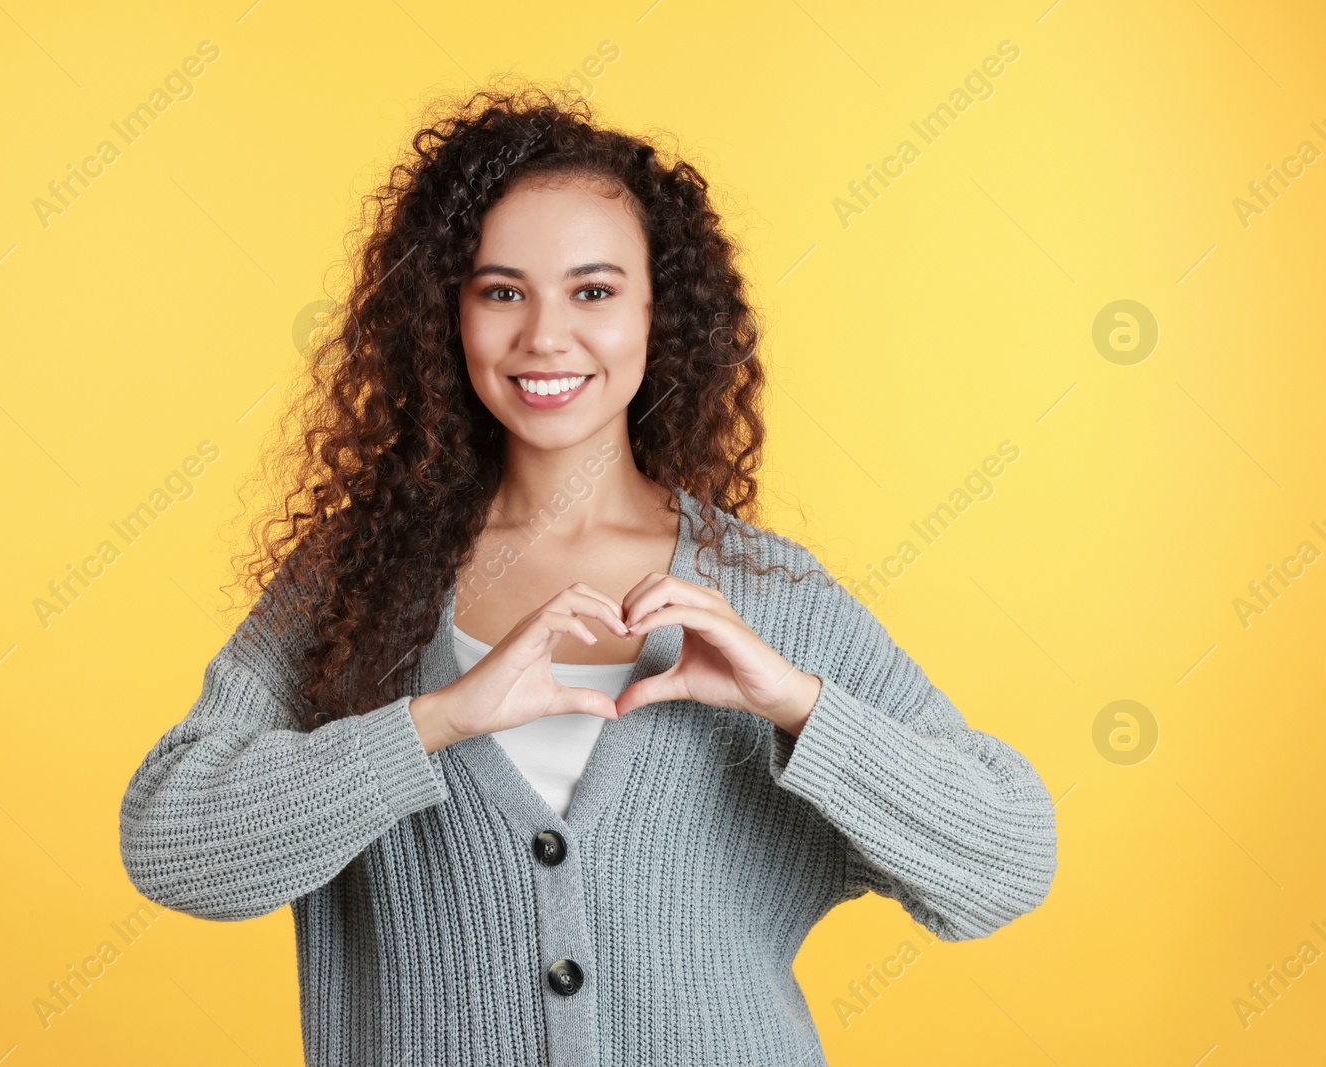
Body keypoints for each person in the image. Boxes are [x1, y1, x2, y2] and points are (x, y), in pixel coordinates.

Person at [118, 82, 1058, 1066]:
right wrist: (431, 721)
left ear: (663, 316)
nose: (545, 337)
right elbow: (176, 845)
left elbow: (1001, 864)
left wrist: (798, 706)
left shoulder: (768, 595)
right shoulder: (353, 584)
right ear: (448, 315)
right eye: (501, 290)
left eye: (594, 290)